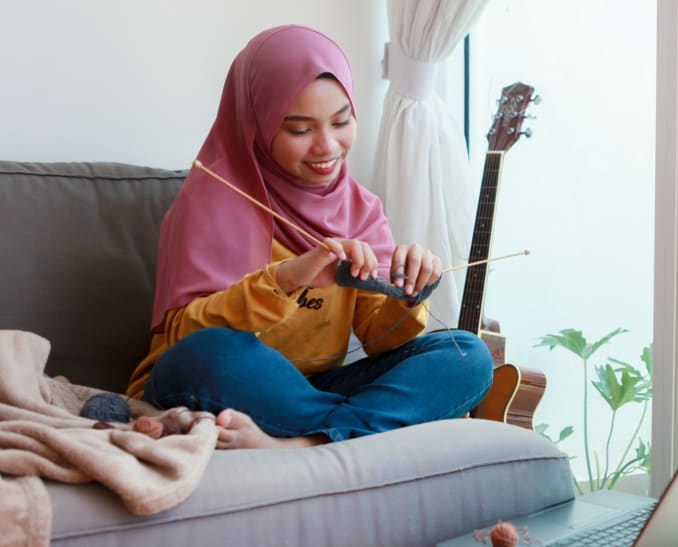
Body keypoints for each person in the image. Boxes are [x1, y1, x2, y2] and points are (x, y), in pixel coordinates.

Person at [125, 24, 493, 449]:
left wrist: (409, 293)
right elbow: (186, 337)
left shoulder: (361, 207)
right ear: (257, 125)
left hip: (310, 391)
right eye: (300, 130)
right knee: (209, 352)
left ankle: (307, 444)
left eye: (341, 122)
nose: (327, 146)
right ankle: (356, 432)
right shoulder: (213, 198)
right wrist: (285, 279)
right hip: (211, 380)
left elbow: (379, 339)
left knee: (466, 353)